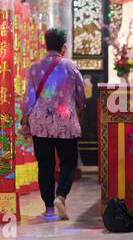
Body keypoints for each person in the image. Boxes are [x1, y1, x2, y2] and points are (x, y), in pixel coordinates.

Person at [21, 28, 87, 220]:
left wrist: (25, 117)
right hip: (65, 122)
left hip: (40, 124)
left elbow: (28, 99)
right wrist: (79, 107)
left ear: (45, 45)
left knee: (45, 165)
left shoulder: (34, 68)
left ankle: (49, 207)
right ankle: (61, 196)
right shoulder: (70, 66)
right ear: (64, 47)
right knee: (68, 161)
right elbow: (81, 95)